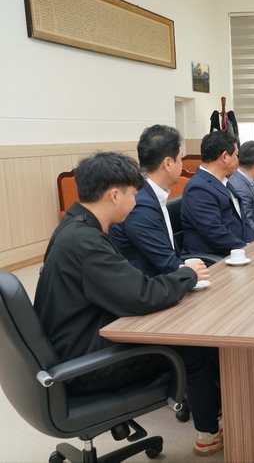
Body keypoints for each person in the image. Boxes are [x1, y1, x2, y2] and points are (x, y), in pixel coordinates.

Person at [33, 152, 223, 457]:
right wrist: (187, 274)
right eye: (133, 194)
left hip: (72, 345)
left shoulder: (75, 226)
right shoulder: (86, 243)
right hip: (86, 365)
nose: (136, 202)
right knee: (192, 349)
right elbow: (141, 295)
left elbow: (126, 287)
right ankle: (209, 433)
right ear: (114, 195)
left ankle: (214, 419)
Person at [110, 125, 186, 277]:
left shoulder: (150, 192)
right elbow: (167, 263)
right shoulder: (140, 203)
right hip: (146, 289)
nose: (182, 164)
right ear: (168, 163)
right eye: (180, 159)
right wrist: (191, 271)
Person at [181, 131, 254, 257]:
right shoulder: (198, 188)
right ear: (225, 156)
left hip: (236, 252)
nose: (238, 160)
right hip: (214, 259)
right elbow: (215, 233)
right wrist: (246, 249)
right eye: (236, 155)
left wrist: (253, 246)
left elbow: (243, 220)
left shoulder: (225, 182)